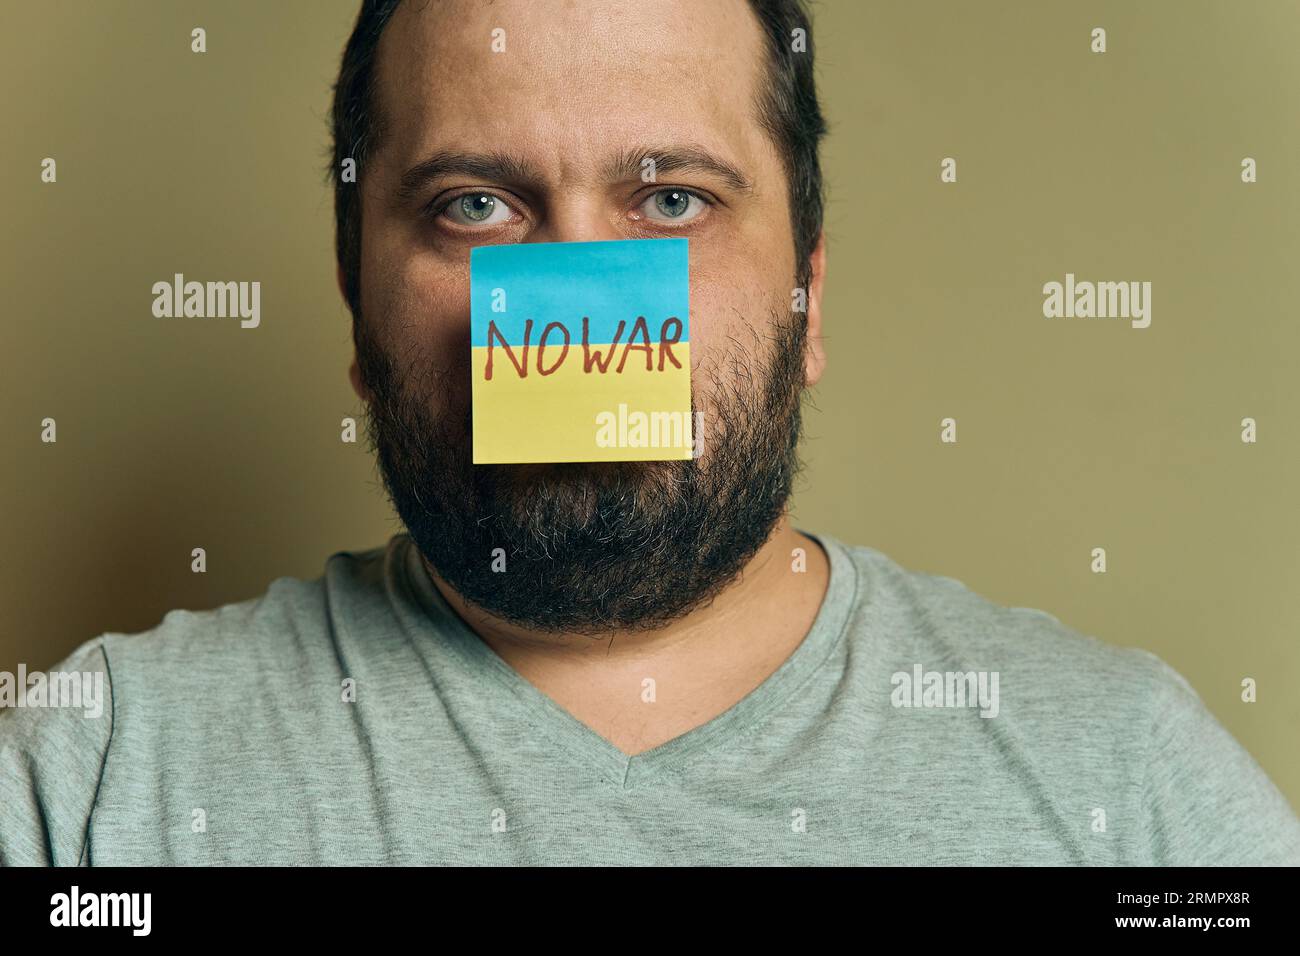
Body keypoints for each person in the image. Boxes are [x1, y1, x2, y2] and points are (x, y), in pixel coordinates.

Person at [2, 0, 1297, 866]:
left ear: (811, 295)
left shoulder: (1131, 789)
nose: (572, 302)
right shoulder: (94, 782)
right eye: (475, 207)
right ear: (354, 302)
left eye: (672, 199)